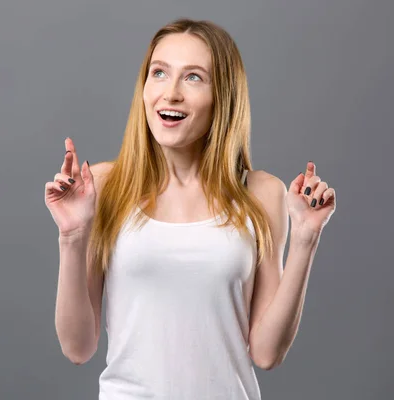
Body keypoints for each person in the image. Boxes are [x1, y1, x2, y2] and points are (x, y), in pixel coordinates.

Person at [44, 18, 336, 400]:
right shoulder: (104, 185)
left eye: (194, 77)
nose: (171, 93)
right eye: (159, 73)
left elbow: (266, 353)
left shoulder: (262, 193)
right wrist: (72, 236)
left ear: (223, 95)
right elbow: (77, 347)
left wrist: (306, 238)